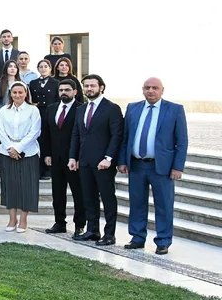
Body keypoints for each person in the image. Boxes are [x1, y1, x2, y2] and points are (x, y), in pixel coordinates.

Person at [120, 78, 189, 255]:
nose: (151, 91)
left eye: (155, 88)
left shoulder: (174, 109)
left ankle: (163, 241)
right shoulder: (133, 108)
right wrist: (122, 161)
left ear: (162, 90)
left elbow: (182, 142)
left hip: (162, 167)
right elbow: (125, 137)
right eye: (147, 88)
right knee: (137, 203)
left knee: (164, 205)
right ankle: (137, 237)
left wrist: (178, 167)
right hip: (136, 165)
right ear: (142, 90)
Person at [69, 74, 125, 246]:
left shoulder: (112, 108)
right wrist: (72, 157)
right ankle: (92, 230)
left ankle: (109, 234)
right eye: (86, 86)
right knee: (88, 198)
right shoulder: (81, 109)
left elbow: (117, 135)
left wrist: (108, 158)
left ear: (101, 87)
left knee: (108, 198)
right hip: (84, 162)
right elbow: (76, 134)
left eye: (92, 85)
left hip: (103, 163)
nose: (89, 89)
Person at [40, 78, 85, 236]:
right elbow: (46, 133)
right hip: (55, 158)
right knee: (57, 193)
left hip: (74, 159)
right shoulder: (51, 108)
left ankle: (79, 224)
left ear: (75, 92)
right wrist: (47, 154)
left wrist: (77, 157)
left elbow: (82, 135)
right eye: (61, 90)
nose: (63, 93)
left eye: (67, 90)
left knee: (78, 193)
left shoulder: (81, 108)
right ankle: (59, 222)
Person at [0, 82, 41, 232]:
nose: (17, 95)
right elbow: (1, 130)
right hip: (7, 151)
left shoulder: (33, 110)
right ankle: (12, 219)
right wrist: (10, 148)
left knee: (27, 186)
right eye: (14, 92)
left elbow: (35, 131)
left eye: (20, 92)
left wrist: (19, 148)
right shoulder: (4, 110)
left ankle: (23, 219)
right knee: (10, 186)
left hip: (28, 152)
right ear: (11, 94)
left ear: (26, 93)